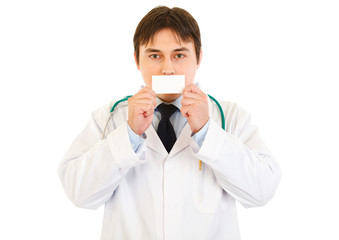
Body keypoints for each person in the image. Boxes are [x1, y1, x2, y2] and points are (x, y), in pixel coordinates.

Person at [58, 6, 281, 240]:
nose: (167, 69)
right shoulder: (109, 118)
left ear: (199, 58)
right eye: (155, 56)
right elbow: (79, 193)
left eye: (179, 55)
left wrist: (207, 132)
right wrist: (129, 135)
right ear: (137, 59)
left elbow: (262, 191)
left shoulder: (230, 117)